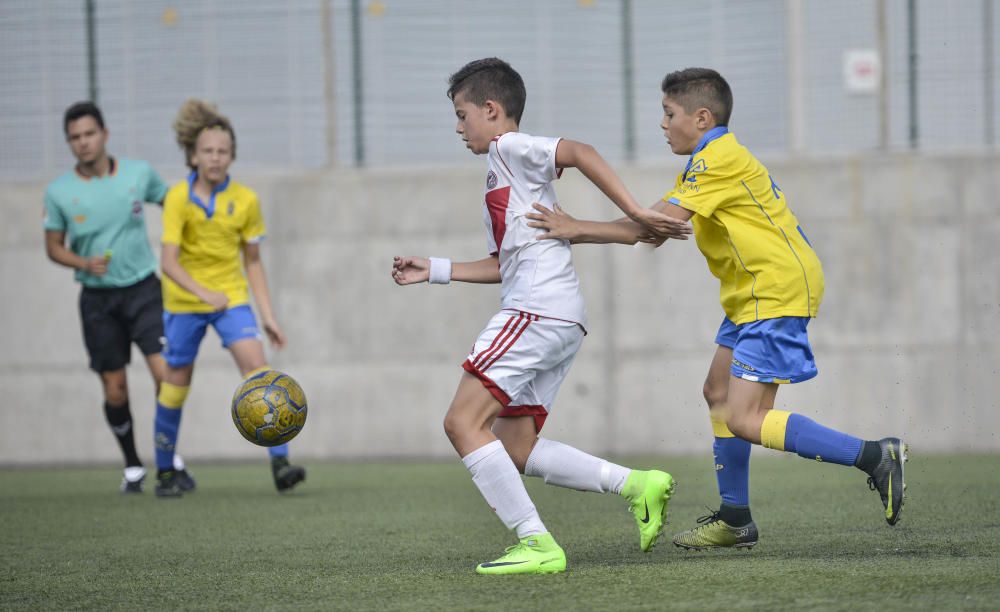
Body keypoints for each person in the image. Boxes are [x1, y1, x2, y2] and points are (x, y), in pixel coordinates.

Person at [525, 67, 907, 550]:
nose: (663, 124)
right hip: (753, 293)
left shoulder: (718, 158)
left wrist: (577, 228)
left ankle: (874, 455)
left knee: (745, 418)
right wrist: (593, 229)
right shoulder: (704, 162)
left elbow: (654, 225)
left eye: (669, 114)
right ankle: (735, 518)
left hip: (774, 289)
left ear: (701, 117)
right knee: (717, 392)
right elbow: (654, 224)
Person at [391, 58, 692, 575]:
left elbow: (578, 152)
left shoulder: (508, 147)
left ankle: (536, 543)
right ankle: (637, 486)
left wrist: (637, 210)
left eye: (463, 116)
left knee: (462, 422)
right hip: (557, 317)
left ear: (491, 110)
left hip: (534, 310)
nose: (458, 128)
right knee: (513, 446)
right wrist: (434, 269)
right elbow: (501, 264)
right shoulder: (501, 175)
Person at [154, 99, 305, 497]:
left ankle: (281, 463)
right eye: (208, 151)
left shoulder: (246, 200)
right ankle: (166, 472)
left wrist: (268, 315)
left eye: (222, 151)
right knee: (175, 384)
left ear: (232, 155)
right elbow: (168, 262)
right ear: (193, 155)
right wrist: (204, 294)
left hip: (232, 299)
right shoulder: (177, 198)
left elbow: (253, 262)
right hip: (184, 303)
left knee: (259, 369)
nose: (215, 158)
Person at [43, 101, 195, 494]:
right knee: (115, 390)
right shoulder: (60, 192)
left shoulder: (137, 174)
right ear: (69, 143)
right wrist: (81, 261)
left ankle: (169, 459)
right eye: (75, 138)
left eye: (89, 134)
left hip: (145, 290)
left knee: (166, 377)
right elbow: (53, 247)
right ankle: (132, 465)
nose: (83, 143)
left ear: (105, 135)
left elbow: (174, 205)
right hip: (98, 301)